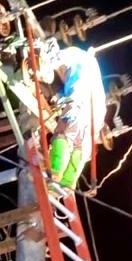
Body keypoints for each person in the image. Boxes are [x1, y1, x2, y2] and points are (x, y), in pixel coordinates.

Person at [45, 44, 107, 191]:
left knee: (63, 135)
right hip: (94, 115)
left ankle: (55, 175)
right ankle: (67, 184)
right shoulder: (90, 65)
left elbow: (53, 61)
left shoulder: (73, 55)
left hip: (79, 105)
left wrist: (45, 63)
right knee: (80, 147)